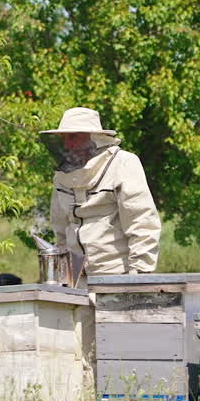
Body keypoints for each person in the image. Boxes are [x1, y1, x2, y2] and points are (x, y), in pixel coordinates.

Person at [42, 107, 161, 279]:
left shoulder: (123, 164)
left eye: (73, 136)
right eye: (64, 138)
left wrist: (139, 276)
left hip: (118, 277)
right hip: (75, 279)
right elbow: (60, 228)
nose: (67, 144)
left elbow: (142, 223)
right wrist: (62, 275)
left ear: (94, 137)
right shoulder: (61, 176)